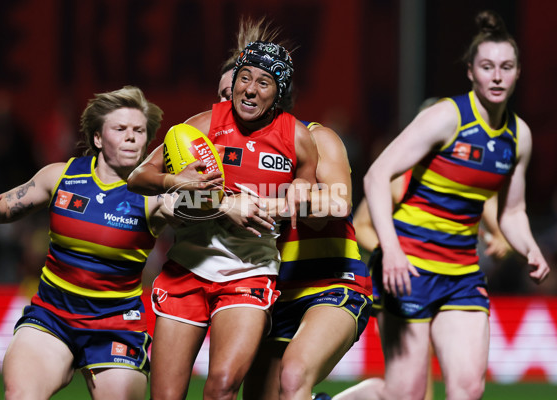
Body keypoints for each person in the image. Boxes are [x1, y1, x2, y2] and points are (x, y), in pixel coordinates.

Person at [333, 10, 550, 400]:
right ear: (471, 71)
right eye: (487, 66)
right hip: (407, 271)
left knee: (468, 389)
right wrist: (392, 251)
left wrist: (530, 247)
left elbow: (512, 212)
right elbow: (376, 176)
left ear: (518, 72)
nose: (497, 76)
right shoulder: (445, 118)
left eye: (506, 67)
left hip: (462, 276)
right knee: (407, 395)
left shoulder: (519, 137)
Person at [127, 38, 318, 400]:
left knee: (223, 387)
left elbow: (302, 202)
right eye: (245, 77)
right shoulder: (201, 125)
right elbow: (137, 179)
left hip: (249, 272)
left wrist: (268, 205)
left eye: (263, 82)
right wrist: (177, 182)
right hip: (188, 268)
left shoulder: (297, 138)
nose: (249, 89)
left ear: (277, 92)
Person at [0, 86, 168, 400]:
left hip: (116, 327)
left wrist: (198, 185)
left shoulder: (156, 198)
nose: (131, 137)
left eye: (139, 130)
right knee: (20, 395)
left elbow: (212, 206)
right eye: (120, 128)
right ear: (98, 138)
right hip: (52, 318)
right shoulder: (61, 177)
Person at [213, 18, 372, 400]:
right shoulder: (215, 157)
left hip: (331, 284)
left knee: (293, 375)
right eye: (222, 93)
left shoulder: (316, 138)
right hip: (267, 294)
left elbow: (337, 202)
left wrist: (279, 203)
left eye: (253, 84)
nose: (231, 99)